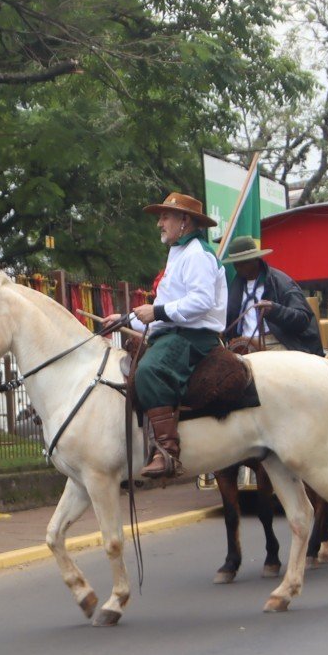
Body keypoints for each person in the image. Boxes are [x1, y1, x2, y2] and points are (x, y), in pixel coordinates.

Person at [92, 192, 227, 477]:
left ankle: (167, 452)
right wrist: (125, 318)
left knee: (149, 371)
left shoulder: (198, 254)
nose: (159, 223)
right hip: (174, 332)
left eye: (165, 217)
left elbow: (200, 303)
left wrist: (158, 312)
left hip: (195, 337)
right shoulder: (178, 253)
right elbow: (160, 313)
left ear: (185, 221)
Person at [220, 234, 320, 354]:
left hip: (277, 342)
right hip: (242, 343)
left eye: (244, 262)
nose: (239, 267)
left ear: (256, 259)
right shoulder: (235, 287)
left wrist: (275, 310)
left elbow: (303, 319)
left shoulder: (281, 282)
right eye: (236, 263)